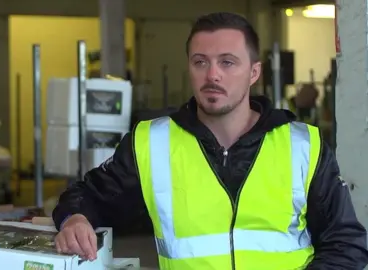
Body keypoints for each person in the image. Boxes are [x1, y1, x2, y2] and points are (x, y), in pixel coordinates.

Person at [52, 12, 368, 269]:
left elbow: (346, 245)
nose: (212, 75)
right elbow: (85, 196)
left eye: (227, 62)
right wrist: (74, 218)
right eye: (200, 62)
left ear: (254, 72)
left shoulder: (302, 145)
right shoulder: (152, 143)